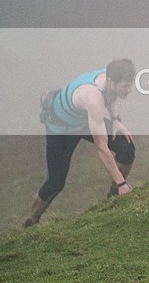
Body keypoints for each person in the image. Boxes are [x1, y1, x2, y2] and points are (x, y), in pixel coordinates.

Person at [24, 58, 137, 226]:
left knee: (126, 148)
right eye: (126, 86)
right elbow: (102, 148)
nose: (130, 90)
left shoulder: (110, 76)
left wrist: (115, 119)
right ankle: (31, 222)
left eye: (130, 85)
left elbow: (111, 96)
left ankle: (114, 197)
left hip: (83, 120)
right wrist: (122, 183)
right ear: (111, 81)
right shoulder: (93, 96)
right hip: (61, 130)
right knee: (55, 183)